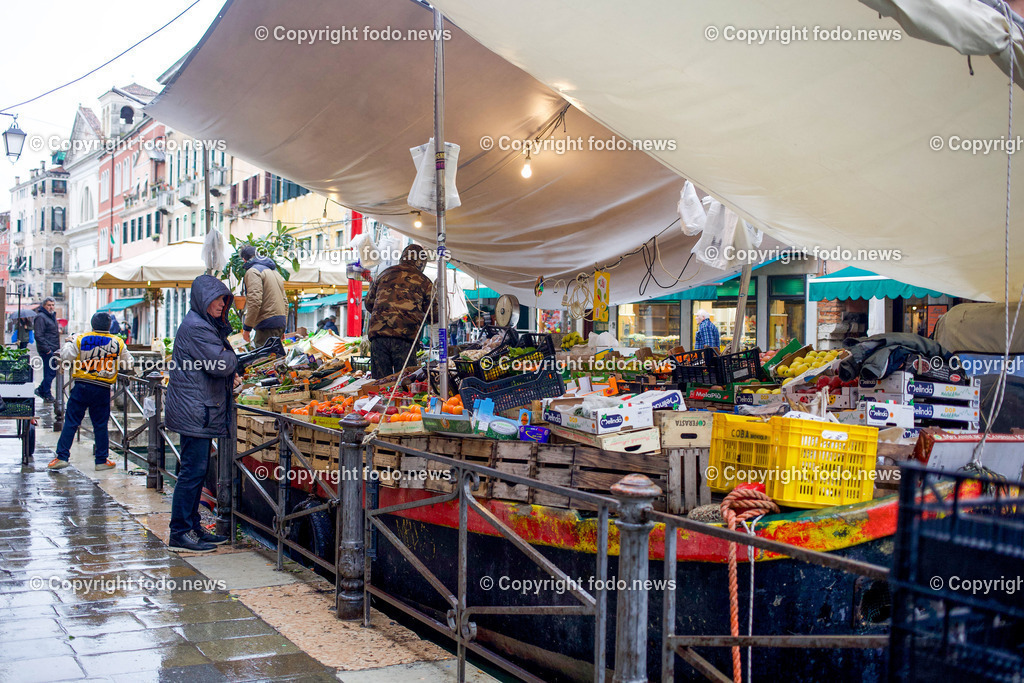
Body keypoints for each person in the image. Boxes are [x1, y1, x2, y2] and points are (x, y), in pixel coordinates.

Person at [164, 275, 239, 553]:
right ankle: (179, 533)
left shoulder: (201, 324)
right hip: (196, 410)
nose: (222, 304)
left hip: (199, 408)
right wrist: (234, 357)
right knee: (192, 472)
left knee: (196, 470)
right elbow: (219, 364)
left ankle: (193, 527)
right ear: (204, 300)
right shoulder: (197, 328)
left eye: (224, 300)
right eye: (218, 300)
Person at [47, 312, 133, 472]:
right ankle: (101, 460)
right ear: (109, 326)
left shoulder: (81, 339)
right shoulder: (118, 342)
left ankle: (62, 456)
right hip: (102, 388)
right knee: (100, 425)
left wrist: (69, 342)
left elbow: (65, 356)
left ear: (92, 325)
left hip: (82, 385)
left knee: (71, 421)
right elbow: (129, 364)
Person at [364, 244, 434, 378]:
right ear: (421, 262)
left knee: (380, 384)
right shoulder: (424, 282)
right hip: (405, 338)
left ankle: (380, 399)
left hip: (378, 337)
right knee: (405, 383)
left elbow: (368, 303)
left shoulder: (383, 274)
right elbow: (434, 315)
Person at [239, 245, 287, 347]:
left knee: (264, 359)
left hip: (266, 323)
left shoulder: (253, 271)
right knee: (276, 359)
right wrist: (283, 325)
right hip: (279, 321)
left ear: (244, 259)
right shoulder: (275, 272)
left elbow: (255, 300)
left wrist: (247, 328)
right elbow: (285, 301)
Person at [34, 297, 60, 402]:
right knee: (51, 372)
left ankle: (43, 390)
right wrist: (47, 350)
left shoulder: (51, 316)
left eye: (53, 305)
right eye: (49, 305)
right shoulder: (41, 317)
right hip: (47, 350)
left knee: (52, 371)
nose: (51, 307)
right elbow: (38, 335)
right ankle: (46, 392)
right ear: (44, 305)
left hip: (53, 348)